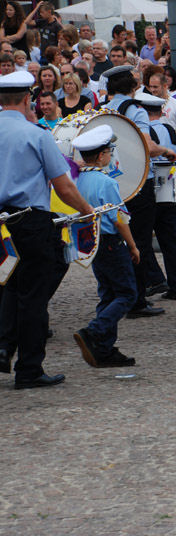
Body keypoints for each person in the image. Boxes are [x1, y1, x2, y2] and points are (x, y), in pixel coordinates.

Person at [0, 70, 93, 389]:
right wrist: (87, 211)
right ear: (28, 99)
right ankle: (29, 368)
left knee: (8, 286)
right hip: (28, 220)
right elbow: (64, 187)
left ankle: (3, 348)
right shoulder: (36, 134)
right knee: (33, 295)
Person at [102, 65, 176, 318]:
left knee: (115, 239)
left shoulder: (104, 110)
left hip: (112, 183)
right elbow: (148, 147)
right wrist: (166, 150)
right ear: (133, 86)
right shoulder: (136, 110)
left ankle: (114, 294)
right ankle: (136, 300)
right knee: (139, 241)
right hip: (137, 183)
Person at [71, 125, 139, 368]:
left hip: (91, 241)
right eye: (109, 152)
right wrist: (133, 245)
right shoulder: (107, 182)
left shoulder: (77, 180)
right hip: (110, 241)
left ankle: (103, 349)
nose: (111, 155)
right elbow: (120, 219)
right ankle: (95, 331)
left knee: (108, 294)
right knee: (127, 294)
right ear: (101, 156)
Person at [137, 93, 176, 301]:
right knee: (171, 242)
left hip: (150, 191)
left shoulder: (143, 133)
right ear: (161, 111)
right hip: (171, 191)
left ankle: (155, 279)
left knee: (142, 239)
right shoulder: (173, 132)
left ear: (142, 111)